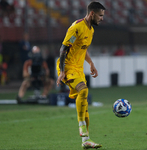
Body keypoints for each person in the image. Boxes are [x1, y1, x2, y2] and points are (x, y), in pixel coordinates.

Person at [56, 2, 105, 149]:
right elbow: (63, 49)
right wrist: (62, 70)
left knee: (85, 108)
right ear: (92, 14)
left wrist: (91, 63)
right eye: (100, 15)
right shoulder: (76, 27)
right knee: (83, 90)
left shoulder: (90, 30)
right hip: (67, 67)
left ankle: (86, 141)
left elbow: (83, 49)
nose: (102, 18)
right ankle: (81, 126)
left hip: (78, 69)